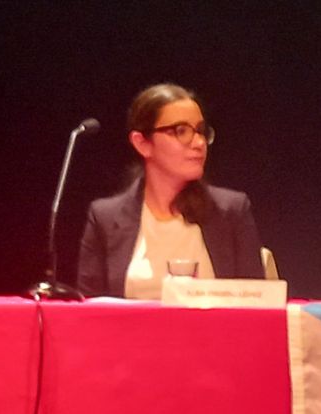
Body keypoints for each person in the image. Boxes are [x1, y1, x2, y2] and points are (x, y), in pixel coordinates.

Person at [78, 83, 264, 298]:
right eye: (181, 131)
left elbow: (257, 303)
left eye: (201, 131)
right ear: (142, 144)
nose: (199, 142)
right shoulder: (105, 218)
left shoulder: (230, 211)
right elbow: (89, 309)